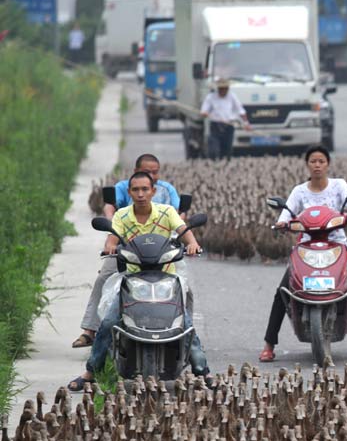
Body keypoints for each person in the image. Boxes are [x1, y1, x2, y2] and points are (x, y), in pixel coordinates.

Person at [68, 172, 207, 391]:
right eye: (136, 190)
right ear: (130, 192)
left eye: (145, 189)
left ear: (153, 191)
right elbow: (112, 238)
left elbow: (184, 232)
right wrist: (110, 247)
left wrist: (192, 244)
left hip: (166, 277)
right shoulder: (122, 216)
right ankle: (90, 372)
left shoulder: (167, 212)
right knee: (108, 322)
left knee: (186, 324)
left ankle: (202, 371)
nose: (141, 194)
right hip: (132, 277)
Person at [259, 146, 347, 362]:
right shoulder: (299, 191)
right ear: (307, 164)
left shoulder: (339, 186)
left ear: (327, 164)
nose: (317, 165)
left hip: (336, 247)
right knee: (282, 292)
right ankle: (269, 344)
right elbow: (287, 211)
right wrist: (281, 222)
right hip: (306, 248)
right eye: (313, 161)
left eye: (321, 161)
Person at [72, 154, 182, 349]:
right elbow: (110, 207)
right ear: (136, 172)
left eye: (155, 172)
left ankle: (184, 330)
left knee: (183, 288)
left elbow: (179, 214)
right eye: (147, 171)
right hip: (127, 249)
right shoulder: (123, 190)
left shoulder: (167, 191)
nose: (141, 193)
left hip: (159, 251)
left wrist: (185, 239)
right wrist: (112, 235)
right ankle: (90, 329)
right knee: (105, 277)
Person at [200, 78, 250, 160]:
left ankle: (226, 164)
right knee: (214, 149)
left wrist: (246, 123)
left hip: (229, 125)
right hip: (216, 125)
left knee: (227, 149)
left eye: (225, 88)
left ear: (228, 88)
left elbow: (241, 110)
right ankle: (214, 162)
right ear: (218, 88)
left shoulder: (232, 96)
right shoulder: (211, 97)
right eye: (221, 88)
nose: (223, 90)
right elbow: (203, 111)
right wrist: (205, 113)